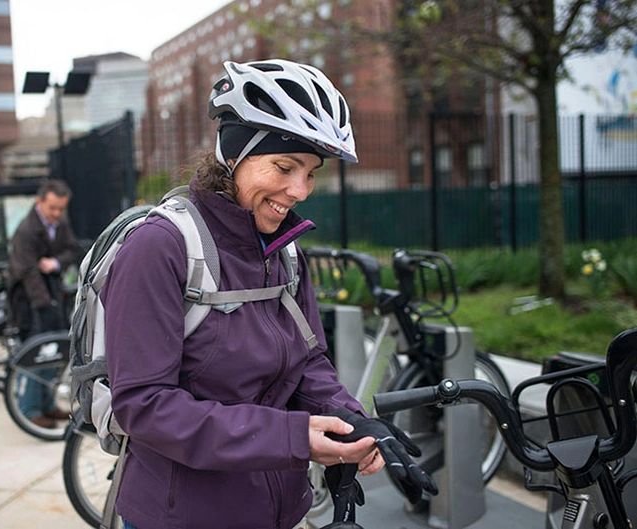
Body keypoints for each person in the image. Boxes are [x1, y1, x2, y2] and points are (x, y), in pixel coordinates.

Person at [102, 59, 436, 529]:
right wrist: (294, 436)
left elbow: (308, 362)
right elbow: (145, 406)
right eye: (285, 166)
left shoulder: (282, 248)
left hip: (280, 509)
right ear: (234, 155)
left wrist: (351, 422)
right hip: (181, 517)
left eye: (311, 172)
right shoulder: (160, 246)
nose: (300, 190)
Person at [6, 178, 81, 429]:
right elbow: (27, 272)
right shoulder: (26, 231)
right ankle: (30, 409)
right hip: (30, 301)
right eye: (52, 208)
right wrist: (45, 305)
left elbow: (72, 249)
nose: (57, 214)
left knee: (54, 351)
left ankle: (47, 404)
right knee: (37, 354)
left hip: (51, 294)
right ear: (40, 202)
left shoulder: (60, 224)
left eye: (61, 209)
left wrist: (55, 262)